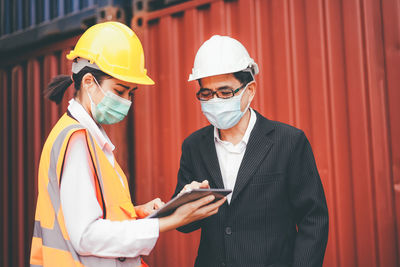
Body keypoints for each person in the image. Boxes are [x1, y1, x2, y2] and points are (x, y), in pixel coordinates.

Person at [30, 22, 226, 267]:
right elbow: (86, 237)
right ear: (89, 82)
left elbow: (90, 214)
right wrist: (168, 221)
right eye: (120, 91)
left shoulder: (87, 137)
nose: (126, 101)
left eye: (131, 93)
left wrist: (137, 212)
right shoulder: (76, 140)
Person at [173, 35, 329, 267]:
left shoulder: (289, 142)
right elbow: (185, 225)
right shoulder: (194, 146)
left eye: (225, 92)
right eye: (206, 93)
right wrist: (183, 202)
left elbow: (313, 219)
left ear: (250, 90)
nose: (215, 100)